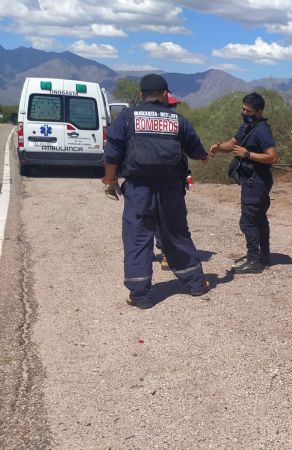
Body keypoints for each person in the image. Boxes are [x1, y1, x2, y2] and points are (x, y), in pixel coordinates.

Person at [103, 74, 210, 309]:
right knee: (176, 234)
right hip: (171, 188)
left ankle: (140, 295)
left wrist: (110, 180)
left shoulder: (127, 117)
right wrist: (208, 153)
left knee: (138, 238)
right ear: (165, 95)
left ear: (142, 94)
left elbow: (112, 153)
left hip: (138, 188)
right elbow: (197, 152)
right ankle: (195, 284)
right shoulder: (178, 120)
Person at [210, 93, 278, 274]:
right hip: (252, 180)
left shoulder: (262, 129)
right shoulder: (247, 126)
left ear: (259, 111)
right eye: (243, 109)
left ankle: (254, 260)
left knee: (248, 221)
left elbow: (272, 156)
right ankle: (264, 255)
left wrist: (248, 154)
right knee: (259, 219)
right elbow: (232, 144)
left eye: (248, 110)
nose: (244, 112)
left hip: (257, 181)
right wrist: (218, 147)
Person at [154, 91, 192, 271]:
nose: (175, 109)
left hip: (163, 178)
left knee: (158, 216)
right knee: (169, 216)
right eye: (173, 106)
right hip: (170, 179)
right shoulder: (177, 124)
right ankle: (168, 254)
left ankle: (167, 252)